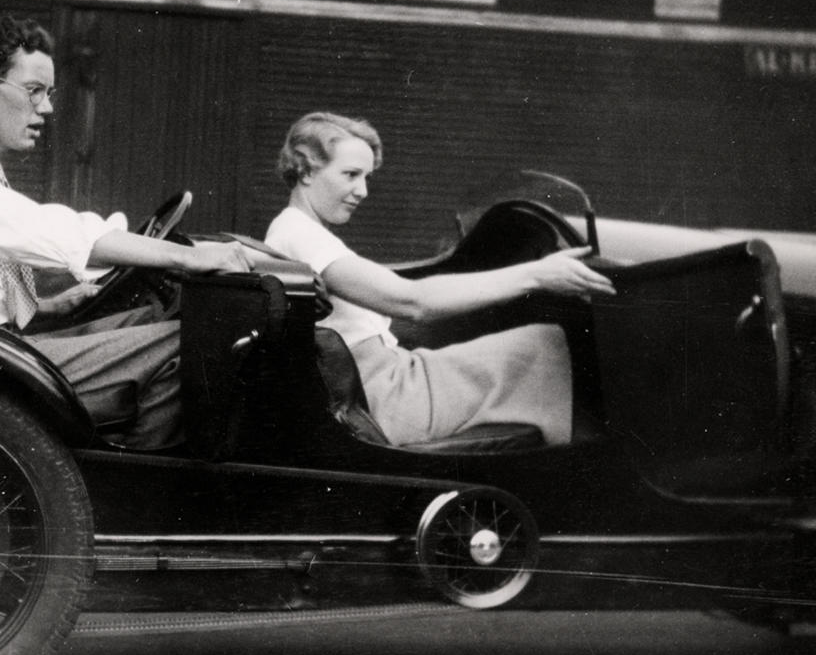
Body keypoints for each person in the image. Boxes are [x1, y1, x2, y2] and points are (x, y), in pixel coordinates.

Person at [0, 14, 252, 449]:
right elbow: (36, 229)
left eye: (49, 93)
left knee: (153, 319)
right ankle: (128, 490)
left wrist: (52, 307)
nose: (48, 108)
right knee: (186, 344)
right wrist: (186, 257)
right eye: (34, 91)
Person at [264, 112, 615, 448]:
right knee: (547, 343)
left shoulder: (297, 232)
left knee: (538, 345)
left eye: (366, 178)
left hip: (375, 388)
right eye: (351, 174)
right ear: (306, 169)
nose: (363, 191)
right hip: (381, 401)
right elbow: (413, 301)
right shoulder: (301, 236)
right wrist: (535, 275)